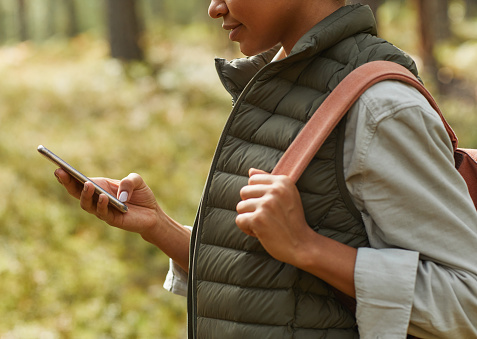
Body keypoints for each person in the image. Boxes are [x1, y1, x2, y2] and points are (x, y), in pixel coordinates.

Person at [54, 0, 477, 338]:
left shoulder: (380, 108)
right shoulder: (279, 84)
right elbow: (271, 282)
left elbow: (467, 302)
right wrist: (159, 226)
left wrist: (308, 247)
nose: (214, 8)